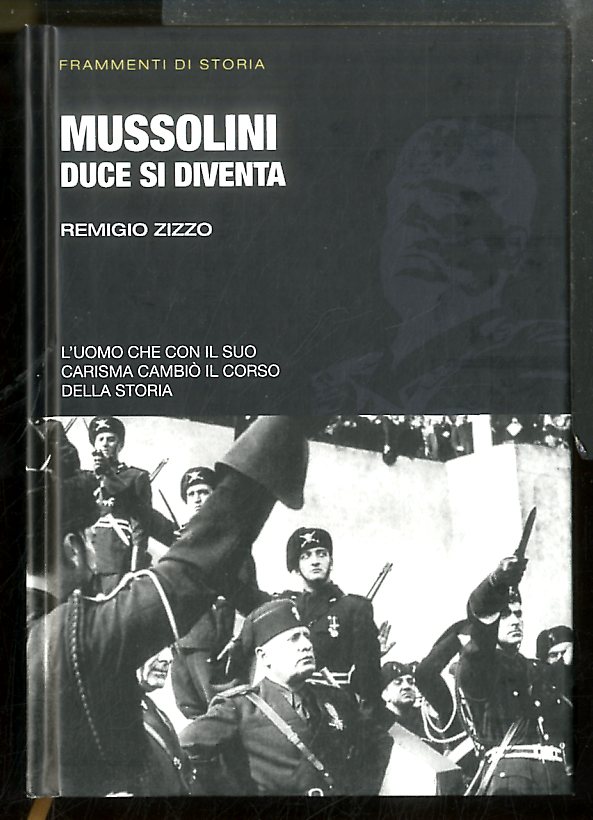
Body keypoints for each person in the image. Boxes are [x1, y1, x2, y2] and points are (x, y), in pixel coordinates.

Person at [27, 416, 309, 796]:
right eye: (91, 539)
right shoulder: (66, 638)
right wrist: (285, 421)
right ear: (72, 549)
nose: (97, 555)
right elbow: (191, 570)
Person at [181, 599, 386, 795]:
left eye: (306, 636)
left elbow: (378, 744)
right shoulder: (239, 706)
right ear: (264, 656)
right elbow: (185, 748)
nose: (306, 645)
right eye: (293, 639)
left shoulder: (335, 698)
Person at [456, 556, 572, 795]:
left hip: (553, 778)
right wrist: (496, 581)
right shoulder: (479, 665)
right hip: (512, 782)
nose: (515, 621)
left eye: (518, 614)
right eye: (505, 615)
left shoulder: (534, 668)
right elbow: (479, 618)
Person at [283, 527, 383, 716]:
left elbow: (369, 679)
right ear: (296, 567)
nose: (315, 561)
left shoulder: (354, 607)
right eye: (306, 556)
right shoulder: (286, 606)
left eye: (322, 554)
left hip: (335, 708)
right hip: (291, 706)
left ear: (331, 562)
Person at [82, 416, 153, 593]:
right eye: (100, 439)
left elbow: (141, 526)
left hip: (117, 560)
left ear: (120, 445)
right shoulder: (84, 479)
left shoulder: (136, 477)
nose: (105, 444)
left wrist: (135, 569)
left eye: (111, 439)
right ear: (94, 446)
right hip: (86, 559)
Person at [137, 648, 192, 795]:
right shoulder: (107, 718)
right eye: (155, 647)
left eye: (168, 648)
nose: (168, 658)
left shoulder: (152, 710)